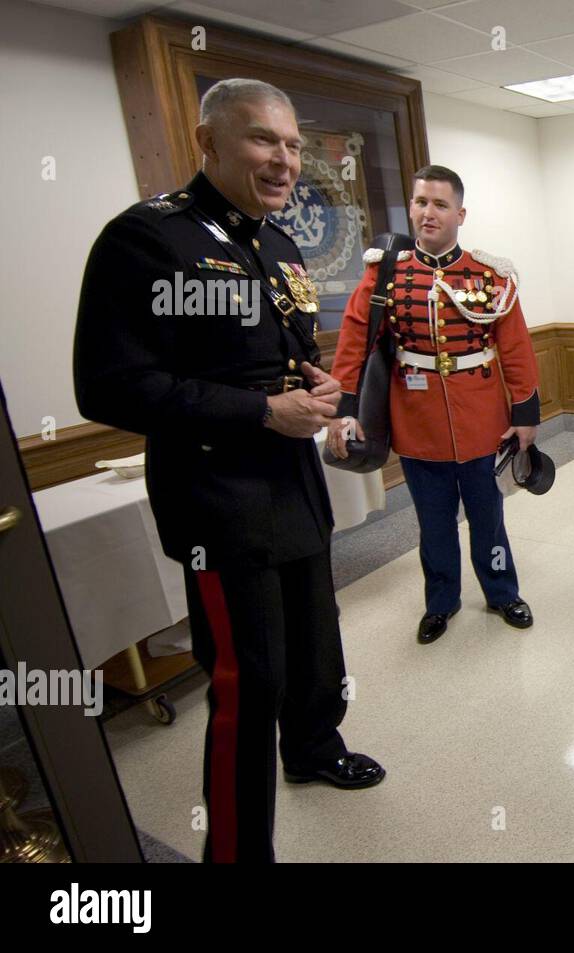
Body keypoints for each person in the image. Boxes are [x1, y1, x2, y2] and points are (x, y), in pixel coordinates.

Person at [73, 78, 384, 864]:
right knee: (250, 683)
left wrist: (318, 382)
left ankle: (314, 747)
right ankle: (239, 852)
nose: (282, 160)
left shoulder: (276, 240)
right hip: (221, 502)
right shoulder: (146, 239)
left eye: (289, 144)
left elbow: (284, 354)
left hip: (295, 486)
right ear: (208, 142)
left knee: (318, 650)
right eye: (260, 140)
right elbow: (108, 385)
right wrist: (257, 414)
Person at [327, 165, 540, 644]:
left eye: (440, 204)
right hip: (417, 424)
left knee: (490, 521)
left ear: (460, 213)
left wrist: (525, 415)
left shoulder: (489, 274)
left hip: (483, 422)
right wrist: (344, 408)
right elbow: (355, 340)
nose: (428, 213)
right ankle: (440, 602)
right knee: (434, 525)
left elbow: (516, 349)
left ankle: (503, 593)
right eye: (421, 202)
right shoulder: (387, 272)